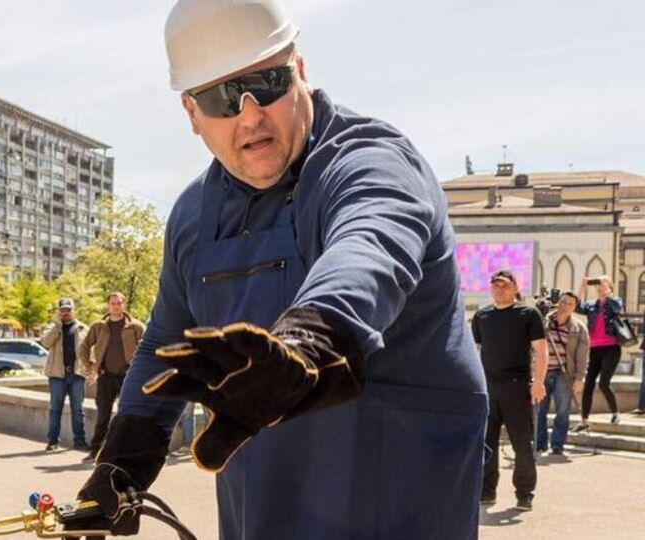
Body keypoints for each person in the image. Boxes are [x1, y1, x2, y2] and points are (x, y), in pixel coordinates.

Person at [64, 1, 488, 537]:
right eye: (221, 98)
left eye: (266, 83)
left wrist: (309, 343)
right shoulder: (194, 214)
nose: (249, 115)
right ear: (191, 115)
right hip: (265, 495)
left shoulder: (372, 162)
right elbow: (165, 344)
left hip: (393, 488)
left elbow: (369, 248)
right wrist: (122, 466)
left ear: (301, 73)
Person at [472, 271, 548, 510]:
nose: (500, 290)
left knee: (522, 444)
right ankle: (487, 491)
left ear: (515, 287)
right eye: (495, 286)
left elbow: (541, 350)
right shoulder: (481, 316)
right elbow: (474, 352)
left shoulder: (528, 314)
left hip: (517, 388)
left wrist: (538, 382)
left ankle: (524, 493)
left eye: (505, 286)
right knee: (487, 444)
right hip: (488, 388)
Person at [78, 292, 147, 461]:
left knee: (129, 414)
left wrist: (140, 371)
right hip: (106, 376)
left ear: (124, 305)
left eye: (119, 303)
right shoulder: (99, 326)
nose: (116, 306)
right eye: (113, 303)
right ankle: (95, 452)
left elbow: (147, 348)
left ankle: (128, 451)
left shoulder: (136, 327)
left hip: (128, 378)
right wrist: (90, 366)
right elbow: (83, 347)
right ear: (108, 306)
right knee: (103, 416)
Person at [537, 291, 588, 455]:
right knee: (539, 410)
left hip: (564, 373)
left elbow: (582, 355)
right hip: (542, 371)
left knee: (563, 411)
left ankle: (557, 445)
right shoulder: (543, 321)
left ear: (574, 307)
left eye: (570, 304)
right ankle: (539, 443)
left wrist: (579, 378)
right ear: (558, 302)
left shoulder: (579, 328)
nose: (565, 306)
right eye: (563, 302)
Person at [573, 275, 624, 430]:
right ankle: (584, 421)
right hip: (595, 348)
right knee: (588, 385)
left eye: (603, 283)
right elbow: (577, 307)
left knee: (603, 383)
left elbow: (617, 308)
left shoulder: (615, 301)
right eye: (597, 284)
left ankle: (615, 413)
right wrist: (582, 287)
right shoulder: (591, 305)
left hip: (611, 348)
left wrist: (607, 294)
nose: (599, 287)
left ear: (609, 286)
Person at [41, 298, 89, 452]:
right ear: (59, 311)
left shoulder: (83, 328)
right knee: (55, 409)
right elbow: (46, 343)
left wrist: (91, 368)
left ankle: (79, 441)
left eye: (68, 310)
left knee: (78, 410)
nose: (66, 313)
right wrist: (57, 326)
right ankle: (52, 442)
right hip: (57, 376)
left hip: (77, 375)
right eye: (63, 310)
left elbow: (90, 350)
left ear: (74, 310)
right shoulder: (53, 327)